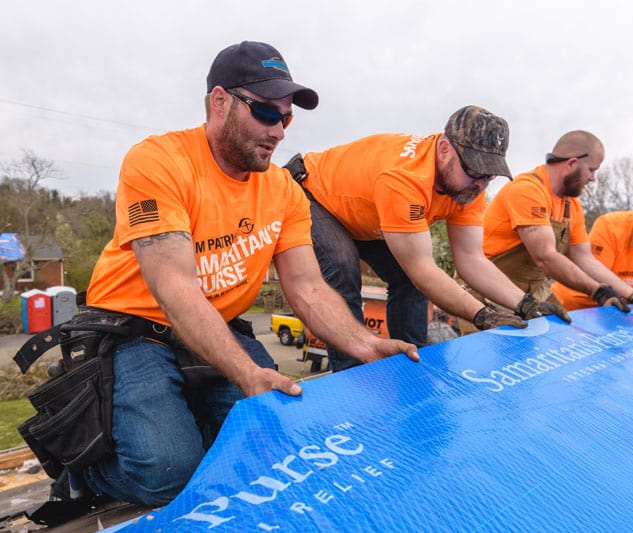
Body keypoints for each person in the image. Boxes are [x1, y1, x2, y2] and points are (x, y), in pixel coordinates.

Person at [78, 41, 419, 506]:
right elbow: (175, 287)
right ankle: (88, 473)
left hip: (217, 326)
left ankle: (187, 420)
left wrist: (363, 344)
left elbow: (307, 287)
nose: (279, 131)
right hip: (136, 328)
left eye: (286, 118)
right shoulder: (158, 162)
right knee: (168, 475)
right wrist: (247, 373)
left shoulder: (282, 189)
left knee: (274, 445)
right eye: (265, 112)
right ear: (220, 102)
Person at [288, 106, 567, 372]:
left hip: (364, 213)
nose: (481, 184)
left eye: (489, 175)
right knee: (342, 266)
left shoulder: (469, 188)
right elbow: (422, 269)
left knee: (407, 281)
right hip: (313, 193)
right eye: (474, 171)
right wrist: (483, 315)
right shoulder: (405, 179)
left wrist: (524, 303)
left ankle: (412, 362)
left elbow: (471, 259)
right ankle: (353, 374)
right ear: (444, 149)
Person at [482, 130, 633, 316]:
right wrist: (597, 291)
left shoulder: (571, 205)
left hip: (532, 292)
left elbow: (584, 258)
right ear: (572, 163)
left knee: (561, 335)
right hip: (488, 289)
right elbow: (545, 257)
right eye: (592, 170)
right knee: (497, 345)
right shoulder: (527, 189)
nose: (593, 178)